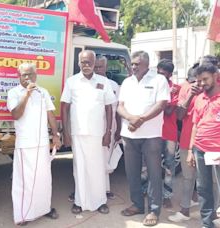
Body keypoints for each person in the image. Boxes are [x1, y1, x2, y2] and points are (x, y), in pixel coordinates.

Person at [117, 51, 170, 226]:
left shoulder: (158, 80)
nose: (133, 67)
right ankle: (137, 204)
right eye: (132, 64)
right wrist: (132, 119)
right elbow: (120, 107)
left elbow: (161, 104)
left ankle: (154, 209)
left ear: (147, 64)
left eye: (137, 64)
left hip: (151, 136)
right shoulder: (126, 82)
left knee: (154, 173)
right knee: (132, 172)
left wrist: (141, 120)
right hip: (129, 134)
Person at [61, 50, 117, 215]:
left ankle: (100, 201)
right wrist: (66, 132)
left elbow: (109, 108)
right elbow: (65, 107)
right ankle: (80, 201)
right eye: (83, 62)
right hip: (78, 133)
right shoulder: (71, 82)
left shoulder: (104, 81)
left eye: (89, 62)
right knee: (79, 168)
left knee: (98, 169)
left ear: (94, 64)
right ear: (79, 63)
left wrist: (108, 132)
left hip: (98, 133)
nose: (86, 65)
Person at [7, 63, 61, 225]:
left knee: (43, 179)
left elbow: (50, 114)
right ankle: (23, 214)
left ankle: (43, 209)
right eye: (24, 75)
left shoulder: (43, 92)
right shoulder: (14, 92)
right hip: (25, 144)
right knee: (24, 181)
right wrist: (27, 95)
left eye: (31, 74)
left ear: (36, 76)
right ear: (19, 76)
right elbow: (16, 114)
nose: (28, 78)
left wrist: (55, 135)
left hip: (42, 143)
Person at [187, 63, 220, 228]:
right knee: (203, 188)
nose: (201, 84)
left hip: (219, 150)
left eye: (205, 79)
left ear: (216, 76)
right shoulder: (199, 98)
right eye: (198, 81)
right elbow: (195, 124)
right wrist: (190, 150)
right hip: (200, 149)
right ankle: (207, 223)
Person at [168, 64, 201, 222]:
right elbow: (180, 115)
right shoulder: (186, 88)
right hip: (187, 141)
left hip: (211, 144)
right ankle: (185, 210)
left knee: (214, 181)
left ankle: (213, 214)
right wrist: (191, 96)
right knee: (188, 178)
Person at [94, 55, 122, 199]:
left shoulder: (114, 85)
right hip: (94, 127)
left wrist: (118, 129)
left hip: (110, 127)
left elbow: (117, 108)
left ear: (106, 67)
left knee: (106, 158)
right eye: (96, 67)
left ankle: (105, 189)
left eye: (100, 66)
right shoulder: (90, 84)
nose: (98, 69)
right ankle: (93, 189)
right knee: (93, 158)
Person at [156, 59, 181, 209]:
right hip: (153, 132)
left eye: (163, 75)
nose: (160, 77)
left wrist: (165, 96)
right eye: (158, 73)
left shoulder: (175, 89)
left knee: (169, 166)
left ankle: (167, 196)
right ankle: (146, 190)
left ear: (170, 75)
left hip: (169, 134)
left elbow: (169, 111)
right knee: (148, 164)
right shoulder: (153, 86)